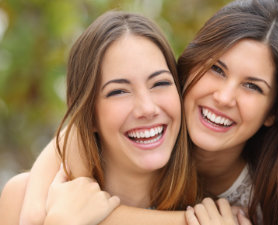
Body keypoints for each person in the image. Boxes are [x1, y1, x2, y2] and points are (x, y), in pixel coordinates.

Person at [2, 0, 278, 224]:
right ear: (187, 70)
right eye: (217, 69)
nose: (223, 96)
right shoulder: (158, 124)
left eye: (252, 86)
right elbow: (76, 128)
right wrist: (36, 209)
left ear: (273, 112)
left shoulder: (265, 202)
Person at [0, 10, 200, 224]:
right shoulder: (24, 198)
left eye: (160, 83)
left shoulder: (212, 208)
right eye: (118, 91)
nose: (147, 108)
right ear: (89, 115)